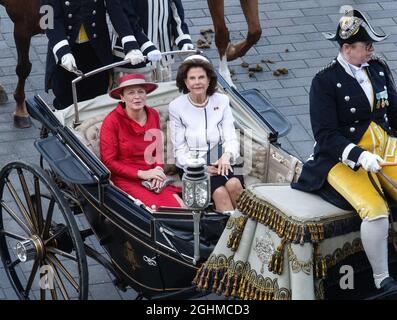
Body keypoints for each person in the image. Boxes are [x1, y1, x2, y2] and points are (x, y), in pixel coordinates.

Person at [291, 9, 397, 297]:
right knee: (374, 210)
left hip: (384, 149)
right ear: (347, 48)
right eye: (367, 46)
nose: (372, 50)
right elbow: (325, 136)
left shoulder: (378, 69)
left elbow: (394, 116)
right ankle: (381, 277)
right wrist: (360, 156)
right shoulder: (323, 81)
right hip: (341, 159)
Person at [169, 55, 244, 212]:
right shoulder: (176, 107)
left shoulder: (222, 100)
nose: (197, 82)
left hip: (222, 157)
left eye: (201, 77)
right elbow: (180, 149)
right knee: (220, 193)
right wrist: (202, 167)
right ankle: (233, 234)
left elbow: (231, 136)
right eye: (192, 78)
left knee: (234, 185)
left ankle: (250, 228)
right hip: (193, 164)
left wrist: (227, 156)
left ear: (209, 80)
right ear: (185, 82)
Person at [44, 0, 147, 110]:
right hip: (66, 50)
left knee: (97, 98)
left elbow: (117, 10)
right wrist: (63, 52)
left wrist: (130, 45)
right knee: (65, 98)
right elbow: (47, 19)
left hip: (97, 49)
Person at [100, 73, 183, 209]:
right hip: (126, 179)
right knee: (159, 212)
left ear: (146, 94)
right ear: (122, 97)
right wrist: (142, 174)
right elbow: (109, 162)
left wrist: (158, 169)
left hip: (152, 176)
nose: (137, 96)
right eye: (131, 93)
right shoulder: (112, 121)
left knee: (183, 209)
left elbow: (157, 149)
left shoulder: (153, 114)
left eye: (140, 91)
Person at [112, 0, 194, 82]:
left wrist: (182, 37)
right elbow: (122, 17)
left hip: (162, 58)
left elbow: (174, 7)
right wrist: (146, 46)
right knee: (134, 93)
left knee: (164, 93)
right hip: (134, 59)